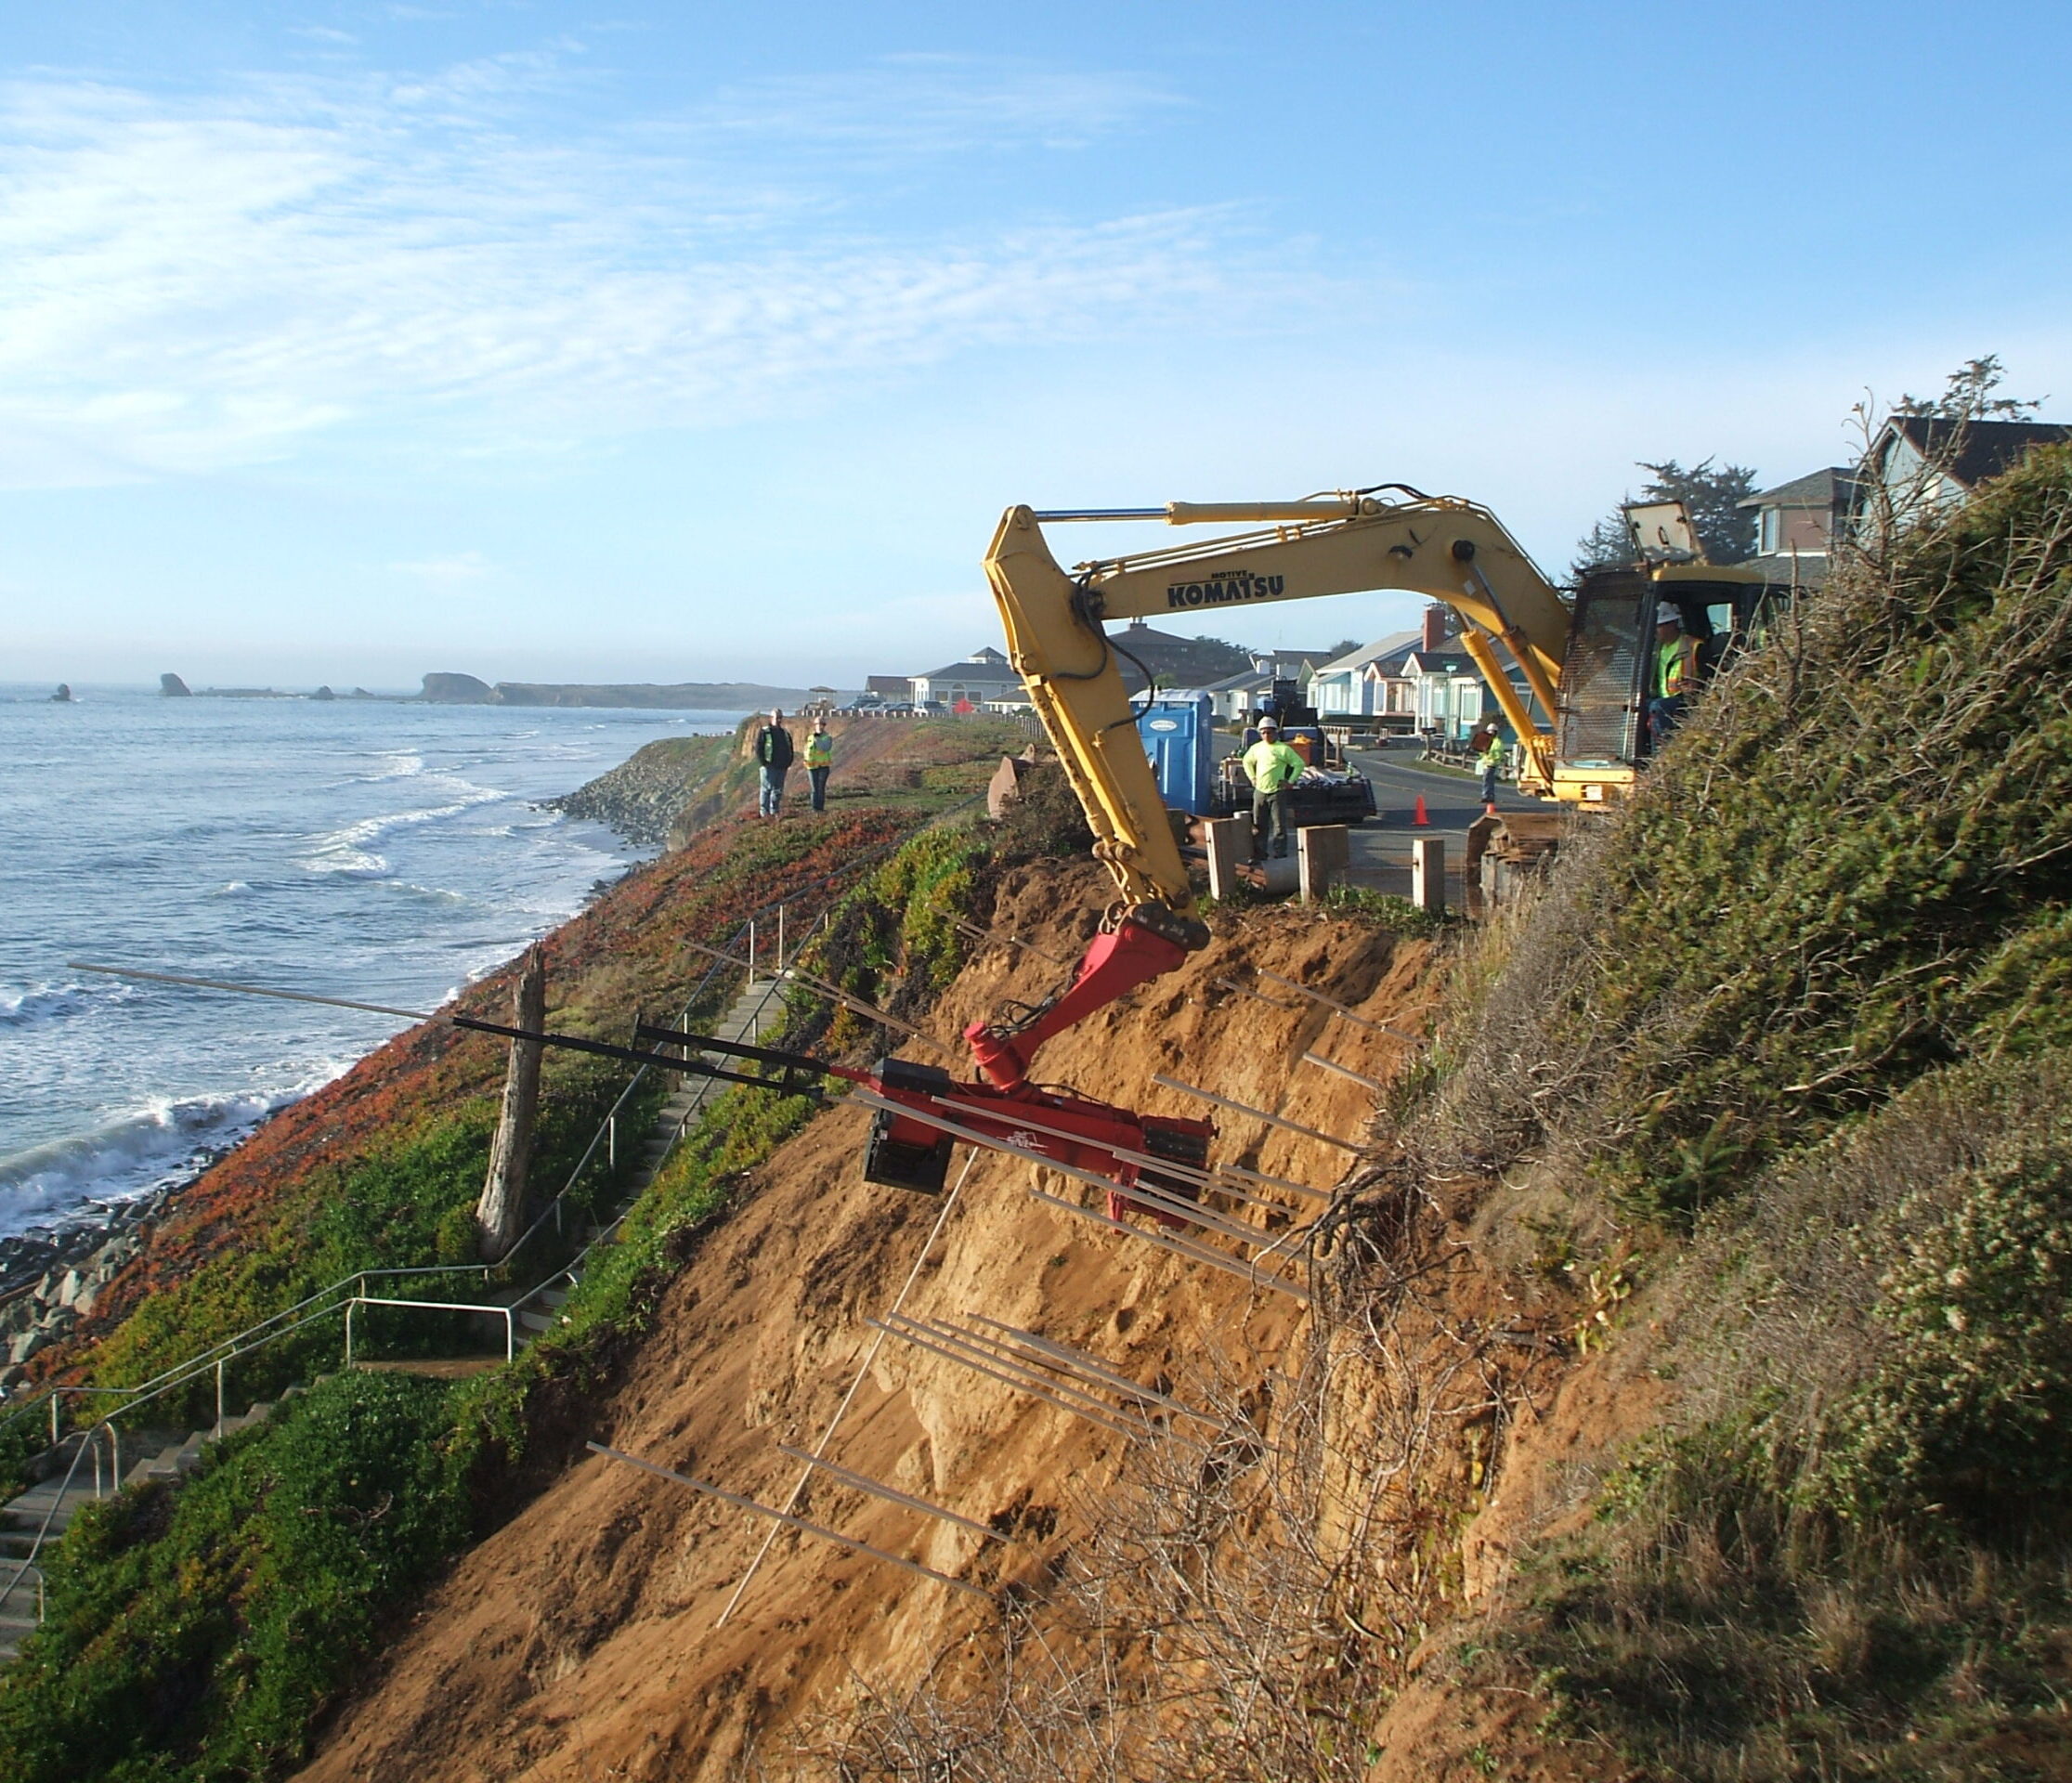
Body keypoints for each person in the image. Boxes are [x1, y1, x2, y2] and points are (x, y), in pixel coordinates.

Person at [1241, 717, 1306, 860]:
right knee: (1259, 825)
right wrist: (1252, 777)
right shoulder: (1256, 748)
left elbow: (1299, 764)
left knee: (1279, 825)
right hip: (1260, 791)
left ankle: (1279, 853)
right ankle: (1259, 853)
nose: (1266, 735)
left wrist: (1290, 781)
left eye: (1269, 732)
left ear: (1275, 732)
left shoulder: (1283, 749)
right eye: (1263, 733)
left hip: (1277, 792)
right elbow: (1247, 761)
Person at [1648, 605, 1701, 749]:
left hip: (1685, 701)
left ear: (1672, 624)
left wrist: (1695, 687)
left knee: (1658, 707)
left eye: (1658, 626)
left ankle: (1661, 754)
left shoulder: (1694, 646)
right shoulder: (1655, 648)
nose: (1654, 630)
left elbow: (1711, 680)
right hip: (1661, 698)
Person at [754, 709, 794, 816]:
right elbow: (758, 748)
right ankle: (764, 813)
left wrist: (789, 762)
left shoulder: (785, 733)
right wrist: (763, 763)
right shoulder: (764, 731)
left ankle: (775, 811)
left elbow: (790, 748)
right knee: (766, 790)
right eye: (777, 717)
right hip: (769, 766)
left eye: (780, 717)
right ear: (771, 718)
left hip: (782, 767)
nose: (779, 720)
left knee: (778, 791)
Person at [1474, 723, 1506, 811]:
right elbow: (1482, 752)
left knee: (1487, 779)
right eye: (1489, 731)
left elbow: (1498, 753)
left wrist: (1490, 753)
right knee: (1488, 780)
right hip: (1486, 763)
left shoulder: (1497, 742)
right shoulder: (1486, 740)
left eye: (1492, 732)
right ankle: (1489, 796)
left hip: (1492, 763)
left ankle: (1487, 796)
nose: (1491, 733)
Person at [804, 716, 834, 812]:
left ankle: (820, 809)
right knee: (814, 789)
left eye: (822, 724)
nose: (819, 726)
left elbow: (825, 748)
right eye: (817, 724)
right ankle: (814, 809)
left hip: (823, 767)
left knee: (820, 788)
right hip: (811, 766)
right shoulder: (810, 737)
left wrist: (817, 739)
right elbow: (807, 750)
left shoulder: (827, 737)